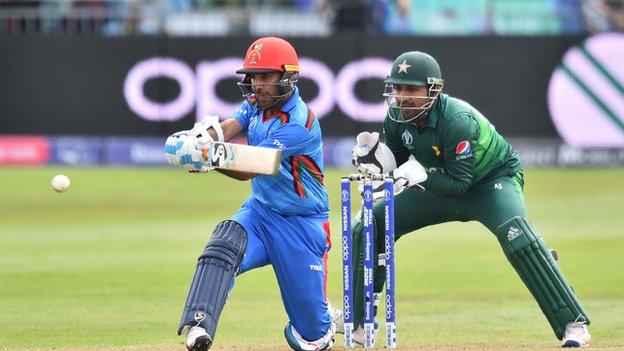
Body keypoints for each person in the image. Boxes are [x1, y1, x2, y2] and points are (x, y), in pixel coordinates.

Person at [342, 51, 591, 348]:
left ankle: (573, 323)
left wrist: (414, 176)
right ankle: (357, 322)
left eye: (411, 89)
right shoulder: (396, 118)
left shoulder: (457, 120)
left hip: (489, 182)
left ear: (433, 90)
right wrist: (379, 170)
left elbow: (460, 183)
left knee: (518, 236)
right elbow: (398, 163)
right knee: (370, 222)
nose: (402, 97)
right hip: (435, 185)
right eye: (397, 88)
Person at [164, 37, 335, 351]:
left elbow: (250, 167)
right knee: (223, 243)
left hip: (302, 224)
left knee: (311, 338)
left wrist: (208, 158)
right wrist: (199, 138)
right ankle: (199, 325)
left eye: (266, 76)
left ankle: (327, 318)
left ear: (288, 76)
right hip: (260, 212)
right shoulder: (255, 104)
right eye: (254, 77)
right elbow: (229, 126)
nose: (258, 85)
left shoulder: (299, 124)